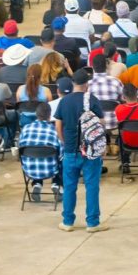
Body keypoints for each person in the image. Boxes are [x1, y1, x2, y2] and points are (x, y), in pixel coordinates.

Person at [54, 68, 107, 232]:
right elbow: (102, 123)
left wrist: (65, 141)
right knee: (92, 186)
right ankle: (92, 223)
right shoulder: (91, 99)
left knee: (70, 186)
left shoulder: (64, 101)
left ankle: (67, 222)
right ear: (87, 84)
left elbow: (58, 125)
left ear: (72, 83)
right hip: (90, 150)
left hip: (70, 149)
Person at [17, 102, 63, 202]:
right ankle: (56, 184)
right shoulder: (54, 130)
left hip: (29, 169)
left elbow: (19, 147)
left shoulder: (26, 129)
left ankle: (37, 184)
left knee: (35, 156)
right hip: (50, 170)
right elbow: (62, 153)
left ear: (36, 114)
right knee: (63, 158)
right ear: (50, 116)